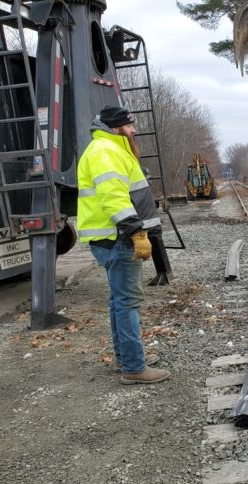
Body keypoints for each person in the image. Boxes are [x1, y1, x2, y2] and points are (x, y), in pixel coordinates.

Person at [76, 105, 171, 385]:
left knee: (119, 301)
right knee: (127, 302)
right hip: (118, 237)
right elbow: (113, 195)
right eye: (130, 125)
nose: (134, 129)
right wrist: (134, 230)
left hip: (110, 237)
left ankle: (126, 357)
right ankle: (133, 367)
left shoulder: (106, 148)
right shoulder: (106, 151)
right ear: (117, 127)